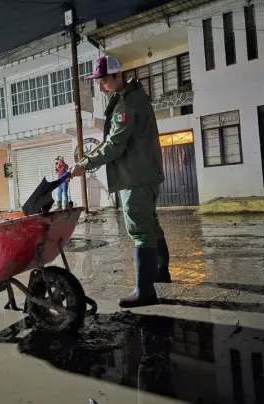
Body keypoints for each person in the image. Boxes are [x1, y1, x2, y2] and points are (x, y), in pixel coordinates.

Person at [69, 55, 171, 308]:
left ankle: (144, 292)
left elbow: (114, 145)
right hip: (143, 173)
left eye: (104, 81)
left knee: (140, 232)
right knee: (150, 225)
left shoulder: (127, 105)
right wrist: (85, 160)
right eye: (97, 82)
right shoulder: (131, 97)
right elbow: (111, 142)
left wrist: (83, 165)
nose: (100, 87)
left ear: (118, 76)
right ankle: (160, 273)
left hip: (135, 177)